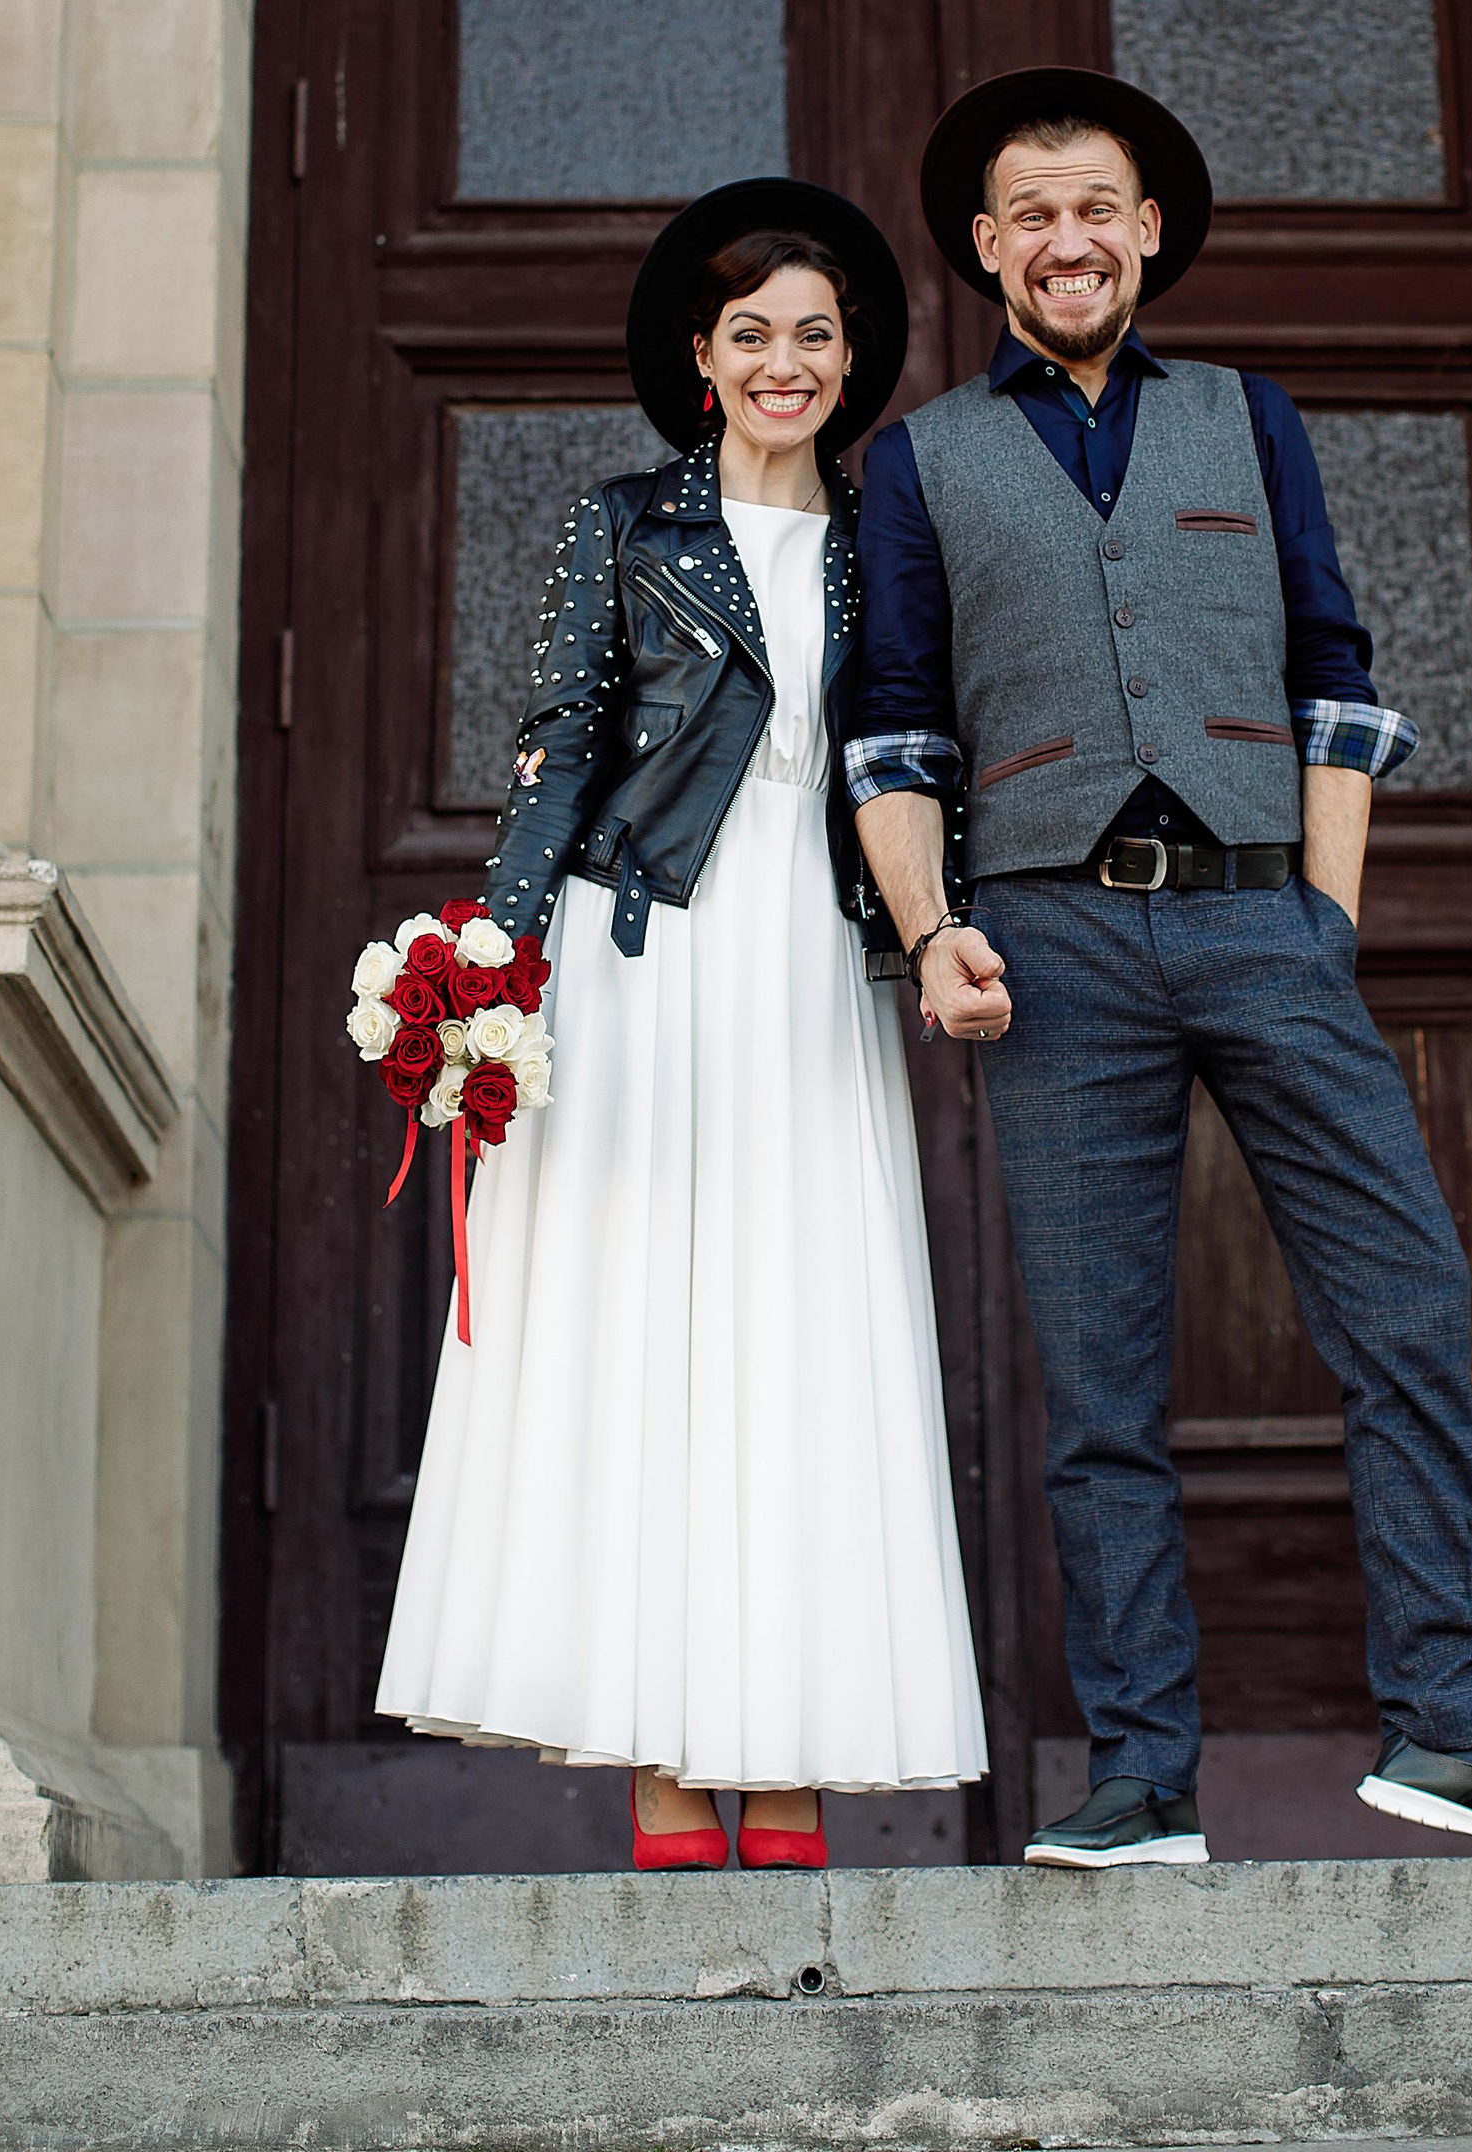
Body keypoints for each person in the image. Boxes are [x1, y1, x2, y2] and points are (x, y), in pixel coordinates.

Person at [847, 67, 1472, 1871]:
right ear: (988, 247)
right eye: (1032, 214)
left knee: (1410, 1304)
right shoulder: (920, 459)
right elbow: (893, 723)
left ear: (1145, 234)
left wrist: (1324, 923)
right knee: (1100, 1378)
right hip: (1051, 935)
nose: (1067, 239)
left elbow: (1333, 674)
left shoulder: (1248, 415)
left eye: (1096, 208)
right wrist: (928, 928)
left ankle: (1454, 1729)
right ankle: (1141, 1775)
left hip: (1263, 914)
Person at [376, 179, 987, 1867]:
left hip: (810, 961)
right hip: (641, 953)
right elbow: (560, 745)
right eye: (752, 334)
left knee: (801, 1334)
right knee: (640, 1338)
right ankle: (660, 1763)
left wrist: (945, 922)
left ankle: (784, 1762)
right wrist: (491, 965)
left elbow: (913, 751)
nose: (786, 362)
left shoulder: (885, 543)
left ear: (851, 363)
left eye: (816, 335)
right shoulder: (622, 524)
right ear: (702, 360)